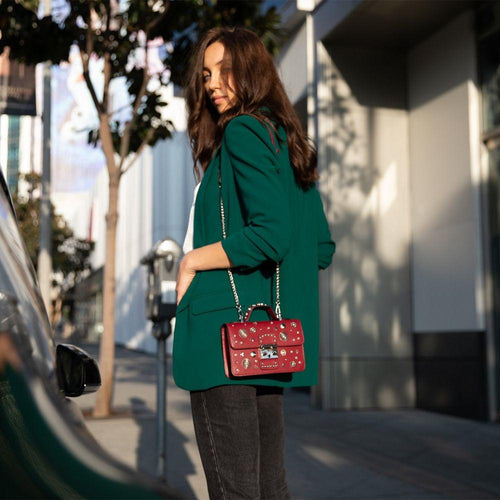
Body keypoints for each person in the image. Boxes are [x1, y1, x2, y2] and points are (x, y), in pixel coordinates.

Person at [173, 26, 335, 500]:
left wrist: (191, 263)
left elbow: (271, 234)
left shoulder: (243, 131)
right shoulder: (288, 139)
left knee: (236, 492)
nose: (212, 84)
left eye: (225, 70)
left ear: (252, 70)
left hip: (223, 342)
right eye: (206, 74)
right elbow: (319, 247)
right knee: (268, 490)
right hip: (264, 346)